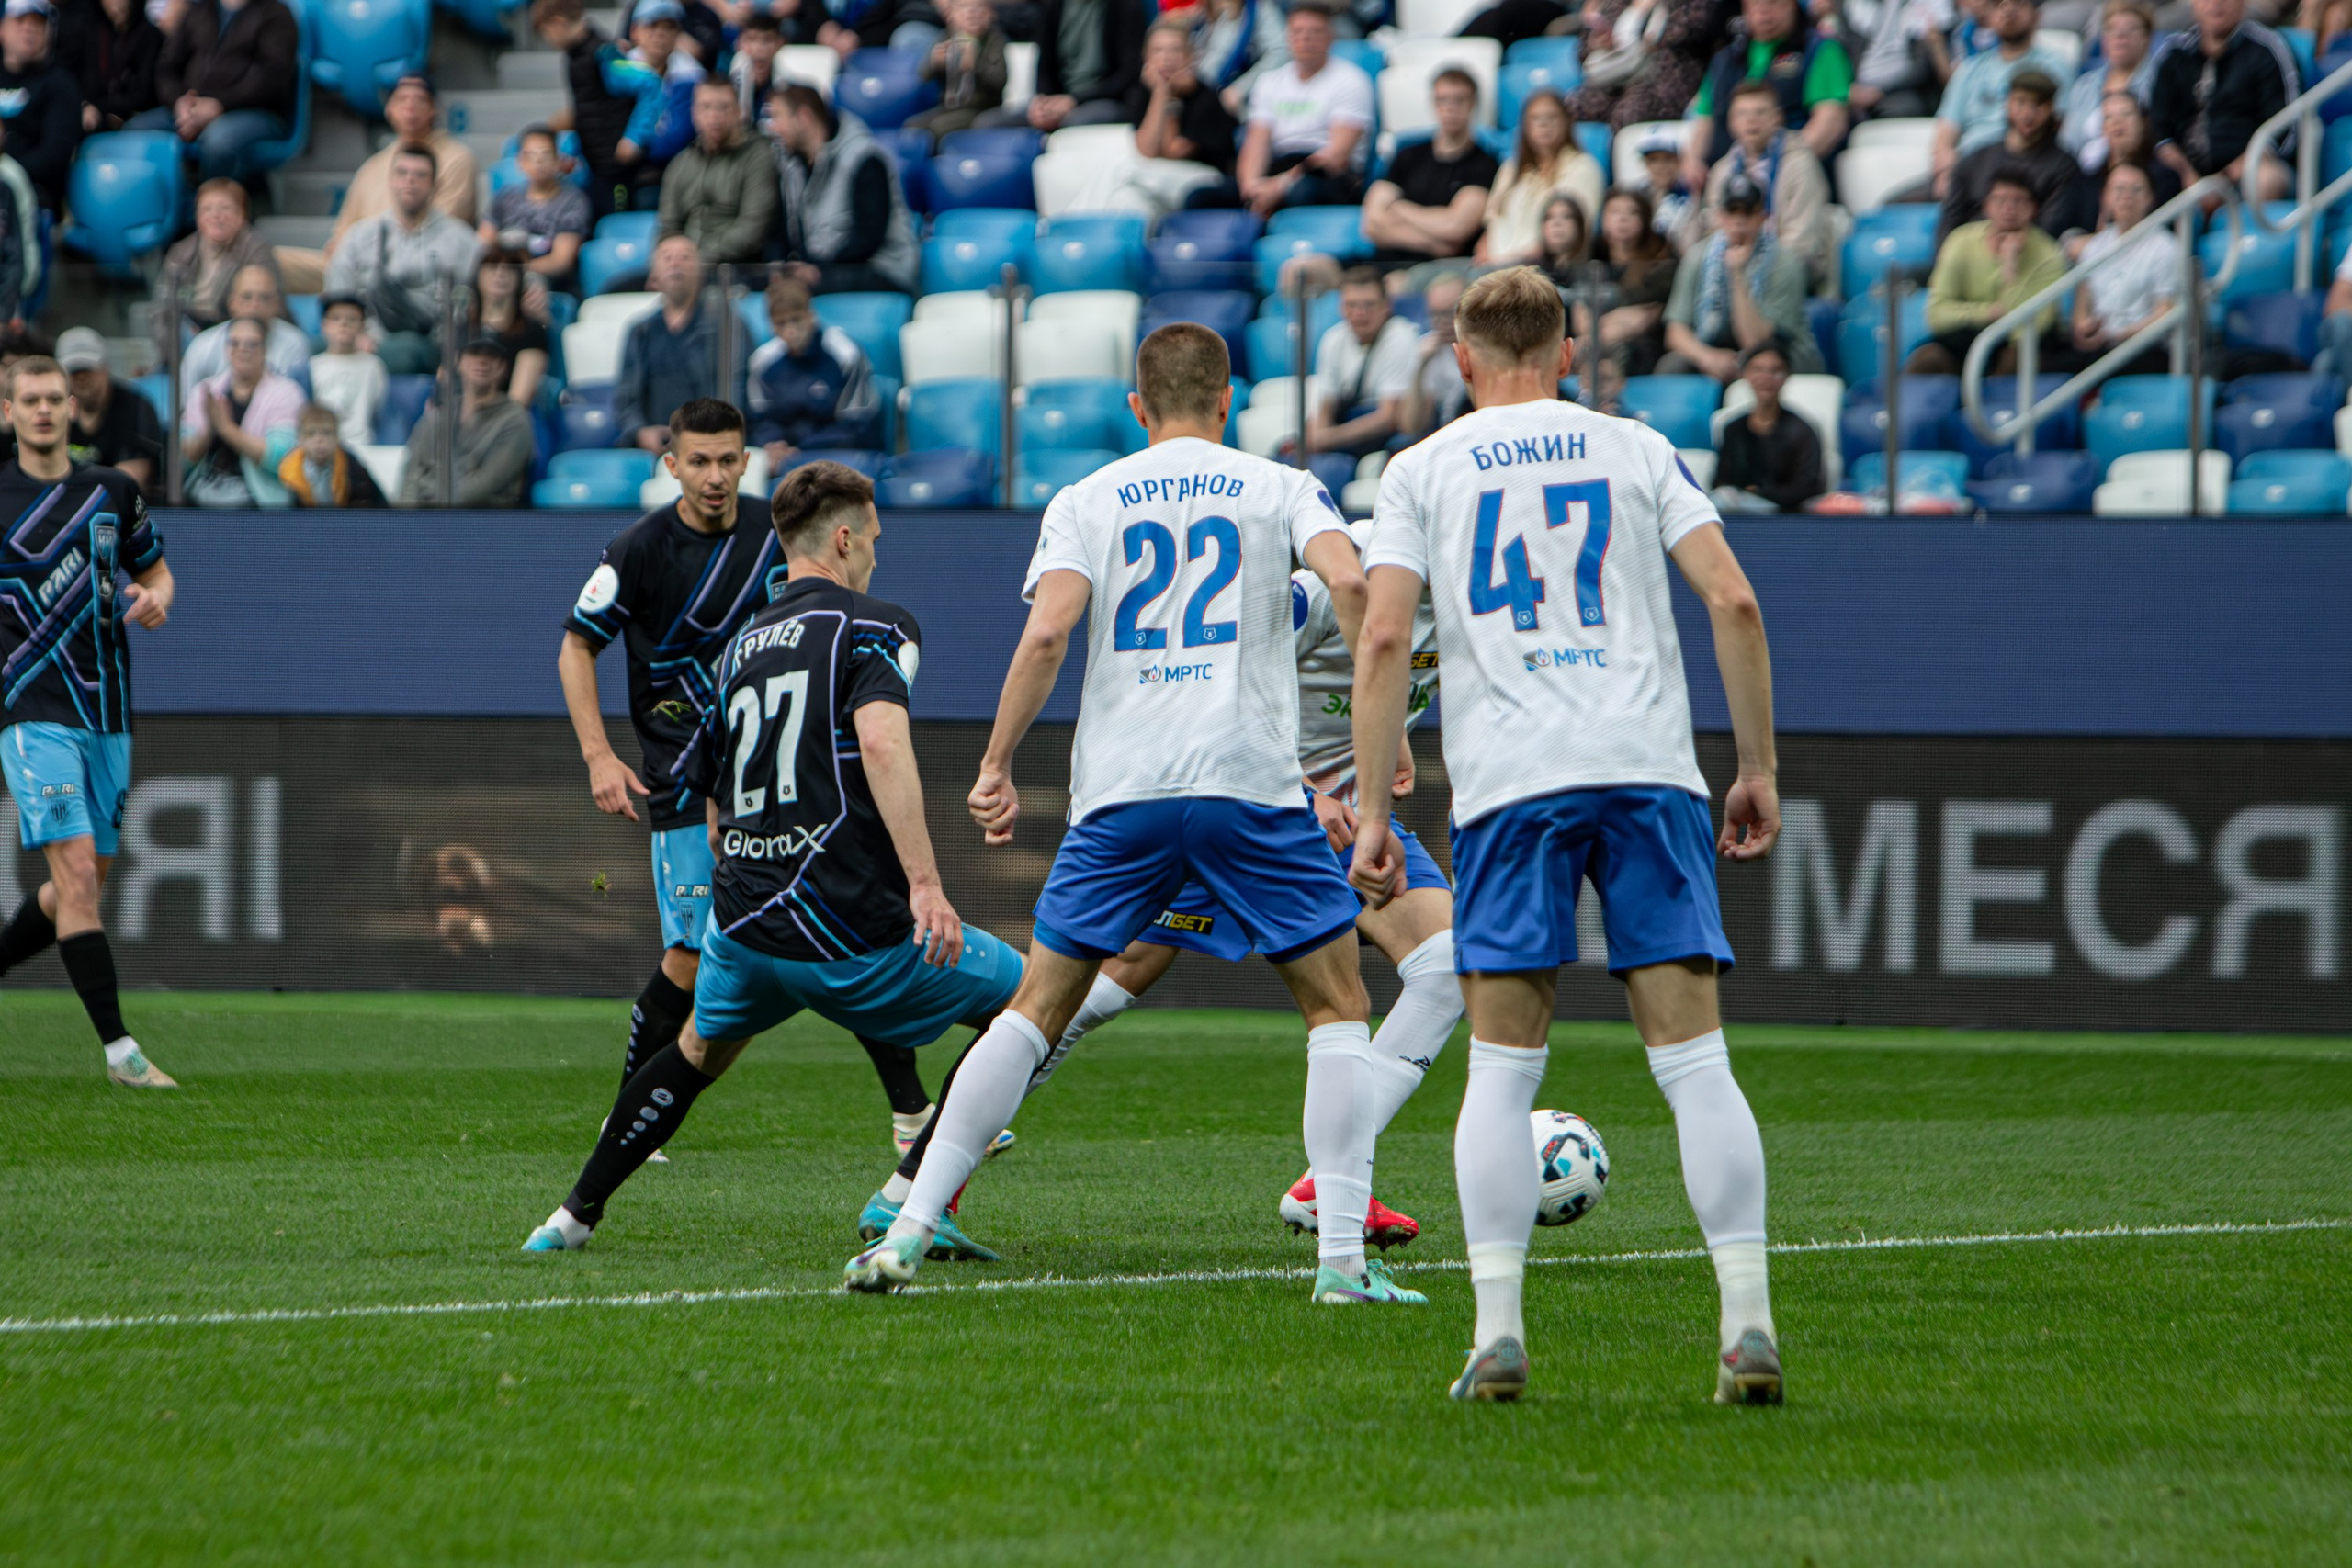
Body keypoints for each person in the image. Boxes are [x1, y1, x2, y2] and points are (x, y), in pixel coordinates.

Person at [842, 323, 1408, 1311]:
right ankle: (1343, 1268)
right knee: (1339, 1007)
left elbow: (1050, 628)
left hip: (1122, 798)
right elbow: (1353, 584)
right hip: (1246, 787)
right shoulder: (1275, 485)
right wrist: (1380, 731)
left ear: (1136, 406)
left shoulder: (1087, 497)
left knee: (1034, 1010)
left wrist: (995, 761)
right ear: (1227, 401)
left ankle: (906, 1230)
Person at [1348, 264, 1784, 1406]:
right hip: (1646, 773)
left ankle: (1497, 1333)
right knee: (1694, 1065)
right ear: (1568, 350)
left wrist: (1378, 808)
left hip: (1511, 788)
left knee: (1501, 1068)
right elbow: (1733, 600)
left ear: (1460, 356)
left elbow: (1384, 636)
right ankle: (1746, 1325)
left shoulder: (1422, 467)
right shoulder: (1634, 446)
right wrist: (1755, 769)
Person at [865, 509, 1462, 1260]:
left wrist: (1389, 746)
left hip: (1340, 815)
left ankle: (1329, 1182)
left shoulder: (1476, 582)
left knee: (1444, 966)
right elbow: (1240, 658)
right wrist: (1307, 787)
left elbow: (1392, 672)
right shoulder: (1345, 572)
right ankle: (918, 1187)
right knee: (1082, 998)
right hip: (1252, 802)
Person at [525, 458, 1012, 1256]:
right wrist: (927, 883)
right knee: (1035, 1007)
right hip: (847, 933)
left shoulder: (738, 646)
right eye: (876, 540)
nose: (879, 557)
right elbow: (883, 742)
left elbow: (711, 789)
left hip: (745, 927)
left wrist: (749, 855)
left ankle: (570, 1217)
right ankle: (910, 1193)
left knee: (695, 1051)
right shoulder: (877, 625)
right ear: (845, 538)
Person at [0, 355, 179, 1089]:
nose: (43, 410)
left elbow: (155, 571)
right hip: (27, 710)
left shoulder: (112, 491)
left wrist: (158, 596)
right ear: (7, 410)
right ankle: (121, 1054)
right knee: (74, 873)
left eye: (54, 399)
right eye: (29, 400)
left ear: (72, 409)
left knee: (83, 888)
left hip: (105, 708)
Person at [323, 144, 484, 375]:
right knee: (312, 350)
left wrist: (533, 289)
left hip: (428, 342)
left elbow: (497, 274)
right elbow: (337, 291)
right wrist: (357, 336)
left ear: (435, 185)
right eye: (402, 173)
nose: (410, 181)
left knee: (406, 351)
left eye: (420, 175)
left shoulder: (461, 240)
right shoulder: (360, 235)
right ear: (390, 180)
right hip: (364, 338)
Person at [1213, 2, 1372, 215]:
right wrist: (1251, 187)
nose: (1305, 38)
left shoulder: (1351, 80)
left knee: (1301, 193)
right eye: (1298, 31)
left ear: (1330, 36)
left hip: (1326, 174)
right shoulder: (1269, 81)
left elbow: (1336, 156)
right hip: (1279, 165)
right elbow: (1256, 142)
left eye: (1314, 32)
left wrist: (1280, 186)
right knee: (1205, 196)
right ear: (1287, 36)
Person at [1661, 175, 1821, 381]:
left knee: (1761, 370)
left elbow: (1756, 342)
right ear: (1719, 216)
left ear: (1763, 217)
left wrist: (1736, 275)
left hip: (1778, 356)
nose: (1739, 221)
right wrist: (1708, 358)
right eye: (1732, 211)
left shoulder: (1784, 262)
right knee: (1672, 366)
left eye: (1748, 212)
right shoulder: (1698, 256)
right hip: (1715, 353)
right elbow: (1675, 332)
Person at [1910, 165, 2066, 372]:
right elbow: (1937, 314)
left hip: (2017, 347)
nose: (2009, 208)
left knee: (2016, 359)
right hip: (1964, 339)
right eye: (2001, 200)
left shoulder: (2049, 254)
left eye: (2019, 201)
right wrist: (1986, 313)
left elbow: (2027, 329)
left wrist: (2010, 268)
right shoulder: (1960, 241)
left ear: (2033, 208)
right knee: (1927, 358)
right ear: (1986, 205)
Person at [772, 84, 921, 295]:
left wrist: (818, 268)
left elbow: (869, 239)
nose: (773, 127)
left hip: (883, 270)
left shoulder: (864, 157)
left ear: (804, 117)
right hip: (829, 271)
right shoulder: (791, 167)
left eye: (778, 116)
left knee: (797, 292)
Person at [1682, 0, 1854, 178]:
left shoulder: (1821, 49)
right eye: (1755, 4)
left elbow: (1829, 122)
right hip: (1726, 181)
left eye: (1772, 3)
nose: (1763, 11)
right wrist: (1693, 160)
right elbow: (1704, 119)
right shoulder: (1724, 59)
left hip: (1790, 181)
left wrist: (1780, 166)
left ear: (1793, 5)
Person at [2149, 0, 2298, 205]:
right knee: (2139, 181)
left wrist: (2225, 178)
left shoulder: (2266, 49)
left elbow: (2283, 130)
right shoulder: (2174, 53)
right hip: (2185, 177)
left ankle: (2251, 236)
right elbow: (2158, 129)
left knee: (2266, 179)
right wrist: (2188, 176)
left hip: (2246, 171)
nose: (2216, 4)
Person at [136, 0, 298, 185]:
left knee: (219, 142)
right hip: (190, 109)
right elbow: (168, 67)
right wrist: (179, 103)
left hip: (254, 112)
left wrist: (219, 105)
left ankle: (218, 207)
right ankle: (181, 204)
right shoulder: (199, 11)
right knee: (136, 131)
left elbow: (271, 77)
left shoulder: (276, 13)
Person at [1361, 69, 1498, 283]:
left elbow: (1454, 228)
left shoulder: (1484, 164)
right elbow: (1372, 222)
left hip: (1442, 275)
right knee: (1305, 270)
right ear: (1433, 104)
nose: (1450, 108)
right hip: (1382, 266)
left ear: (1473, 104)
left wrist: (1399, 208)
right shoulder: (1407, 154)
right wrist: (1434, 243)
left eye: (1459, 100)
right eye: (1442, 100)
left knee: (1395, 285)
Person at [531, 0, 666, 217]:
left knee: (616, 222)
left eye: (546, 33)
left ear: (557, 22)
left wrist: (634, 138)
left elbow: (649, 83)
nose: (549, 41)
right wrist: (572, 151)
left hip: (618, 169)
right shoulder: (575, 56)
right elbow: (588, 110)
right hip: (596, 166)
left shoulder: (602, 53)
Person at [1688, 79, 1833, 279]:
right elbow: (1715, 227)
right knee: (1694, 261)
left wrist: (1759, 267)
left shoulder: (1800, 164)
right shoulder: (1723, 169)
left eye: (1760, 112)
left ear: (1777, 118)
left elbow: (1802, 239)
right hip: (1732, 266)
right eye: (1742, 114)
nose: (1751, 120)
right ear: (1732, 122)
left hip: (1786, 270)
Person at [1930, 0, 2075, 196]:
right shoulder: (1970, 69)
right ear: (1989, 17)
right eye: (1999, 4)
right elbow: (1945, 134)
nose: (2008, 10)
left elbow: (2061, 127)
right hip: (1967, 169)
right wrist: (1947, 170)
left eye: (2018, 3)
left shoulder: (2054, 66)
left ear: (2036, 15)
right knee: (1897, 204)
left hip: (2022, 170)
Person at [1939, 69, 2096, 242]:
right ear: (2007, 103)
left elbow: (2049, 232)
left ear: (2051, 108)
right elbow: (1949, 224)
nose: (2028, 113)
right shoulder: (1975, 160)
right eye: (2021, 102)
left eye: (2038, 104)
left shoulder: (2064, 168)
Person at [1303, 265, 1420, 496]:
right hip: (1346, 428)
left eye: (1368, 305)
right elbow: (1325, 404)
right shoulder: (1333, 338)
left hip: (1382, 434)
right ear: (1341, 307)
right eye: (1352, 305)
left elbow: (1389, 417)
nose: (1359, 313)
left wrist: (1327, 438)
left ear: (1386, 306)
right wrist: (1316, 439)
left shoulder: (1401, 336)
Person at [1104, 16, 1236, 217]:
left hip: (1203, 179)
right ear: (1146, 58)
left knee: (1124, 172)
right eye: (1158, 50)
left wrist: (1167, 97)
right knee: (1128, 198)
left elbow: (1172, 151)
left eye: (1175, 50)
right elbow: (1147, 149)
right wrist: (1161, 92)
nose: (1166, 58)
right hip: (1157, 177)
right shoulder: (1140, 93)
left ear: (1190, 57)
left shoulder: (1205, 96)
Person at [748, 276, 882, 467]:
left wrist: (802, 452)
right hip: (783, 460)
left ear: (810, 315)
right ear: (771, 324)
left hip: (839, 456)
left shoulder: (846, 354)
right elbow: (762, 420)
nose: (790, 331)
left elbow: (857, 426)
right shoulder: (762, 363)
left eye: (796, 319)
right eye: (781, 323)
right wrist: (773, 444)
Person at [1476, 89, 1608, 269]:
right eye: (1535, 119)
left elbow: (1576, 235)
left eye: (1552, 117)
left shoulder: (1584, 168)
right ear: (1525, 126)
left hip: (1547, 271)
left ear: (1567, 122)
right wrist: (1487, 262)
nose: (1544, 124)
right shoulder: (1510, 168)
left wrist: (1507, 264)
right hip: (1497, 269)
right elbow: (1490, 226)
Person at [180, 314, 302, 505]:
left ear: (265, 349)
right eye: (235, 343)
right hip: (202, 498)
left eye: (252, 344)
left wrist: (227, 429)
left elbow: (283, 459)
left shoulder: (287, 393)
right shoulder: (205, 391)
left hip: (259, 504)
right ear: (226, 349)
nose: (242, 350)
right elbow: (183, 459)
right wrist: (209, 431)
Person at [398, 337, 535, 508]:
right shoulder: (440, 415)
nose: (482, 361)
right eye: (474, 354)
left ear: (502, 366)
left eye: (492, 356)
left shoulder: (514, 419)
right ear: (459, 362)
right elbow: (412, 471)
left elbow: (487, 482)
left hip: (482, 518)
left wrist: (435, 508)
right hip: (425, 513)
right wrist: (405, 515)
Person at [153, 180, 278, 364]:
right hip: (188, 331)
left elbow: (259, 304)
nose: (216, 216)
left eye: (225, 208)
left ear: (241, 214)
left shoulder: (257, 249)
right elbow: (162, 306)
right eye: (207, 209)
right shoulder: (181, 251)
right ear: (197, 216)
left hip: (232, 332)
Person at [657, 78, 780, 265]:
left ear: (739, 112)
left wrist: (697, 259)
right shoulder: (680, 163)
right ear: (694, 114)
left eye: (724, 107)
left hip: (740, 267)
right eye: (706, 107)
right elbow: (668, 227)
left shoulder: (759, 156)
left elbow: (752, 228)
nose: (714, 116)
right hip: (686, 268)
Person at [2067, 159, 2175, 372]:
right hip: (2101, 343)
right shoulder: (2094, 247)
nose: (2127, 197)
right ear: (2105, 197)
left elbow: (2166, 312)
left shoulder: (2166, 246)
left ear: (2150, 198)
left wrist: (2118, 335)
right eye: (2118, 189)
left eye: (2136, 190)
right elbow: (2082, 303)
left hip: (2145, 347)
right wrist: (2083, 326)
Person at [972, 0, 1147, 130]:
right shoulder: (1053, 6)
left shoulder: (1126, 6)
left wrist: (1074, 101)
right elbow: (1044, 68)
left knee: (1074, 122)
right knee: (987, 123)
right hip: (1059, 100)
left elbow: (1128, 74)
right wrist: (1044, 103)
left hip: (1107, 100)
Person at [1564, 0, 1723, 132]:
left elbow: (1695, 29)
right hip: (1615, 78)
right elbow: (1582, 49)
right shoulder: (1616, 3)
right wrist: (1595, 44)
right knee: (1571, 108)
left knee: (1628, 114)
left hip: (1662, 81)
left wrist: (1647, 21)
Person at [1713, 338, 1825, 512]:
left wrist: (1762, 493)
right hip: (1736, 514)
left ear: (1787, 376)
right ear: (1746, 374)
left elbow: (1808, 487)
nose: (1766, 378)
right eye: (1758, 370)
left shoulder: (1802, 430)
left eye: (1775, 371)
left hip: (1786, 517)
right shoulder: (1733, 429)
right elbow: (1721, 481)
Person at [481, 124, 592, 290]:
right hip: (504, 279)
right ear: (520, 161)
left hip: (548, 285)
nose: (538, 162)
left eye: (545, 154)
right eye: (531, 155)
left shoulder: (574, 202)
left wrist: (515, 272)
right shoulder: (506, 197)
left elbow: (560, 261)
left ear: (557, 160)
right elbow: (483, 243)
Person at [1582, 187, 1678, 377]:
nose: (1623, 219)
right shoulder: (1592, 258)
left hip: (1640, 349)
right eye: (1615, 211)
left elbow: (1641, 320)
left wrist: (1598, 328)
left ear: (1645, 220)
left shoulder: (1660, 266)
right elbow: (1582, 318)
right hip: (1593, 343)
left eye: (1632, 212)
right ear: (1603, 218)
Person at [177, 265, 310, 396]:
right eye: (247, 297)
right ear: (232, 303)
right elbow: (186, 404)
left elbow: (296, 403)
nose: (255, 305)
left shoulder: (294, 343)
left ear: (277, 305)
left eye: (264, 298)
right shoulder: (203, 345)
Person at [0, 0, 82, 211]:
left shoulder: (60, 84)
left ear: (48, 32)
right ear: (3, 28)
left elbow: (53, 159)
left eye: (37, 22)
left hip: (32, 196)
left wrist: (6, 172)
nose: (29, 28)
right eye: (20, 20)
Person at [57, 326, 161, 493]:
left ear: (105, 368)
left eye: (87, 368)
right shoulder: (53, 410)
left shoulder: (136, 407)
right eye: (73, 371)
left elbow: (131, 479)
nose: (81, 377)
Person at [2062, 0, 2156, 167]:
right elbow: (2068, 144)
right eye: (2111, 29)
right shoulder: (2084, 85)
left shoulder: (2159, 82)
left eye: (2131, 29)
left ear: (2147, 38)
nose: (2120, 36)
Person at [618, 0, 706, 174]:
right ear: (634, 31)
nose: (660, 34)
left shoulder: (692, 75)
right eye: (652, 25)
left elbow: (676, 137)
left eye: (669, 27)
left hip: (677, 168)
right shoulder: (618, 71)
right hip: (623, 168)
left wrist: (639, 145)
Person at [60, 0, 163, 132]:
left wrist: (101, 108)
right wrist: (88, 107)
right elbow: (87, 85)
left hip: (137, 117)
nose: (114, 3)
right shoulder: (95, 35)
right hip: (98, 114)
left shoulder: (150, 36)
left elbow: (144, 95)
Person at [907, 0, 1007, 136]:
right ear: (950, 15)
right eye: (964, 8)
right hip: (948, 107)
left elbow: (999, 82)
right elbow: (923, 76)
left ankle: (944, 157)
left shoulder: (995, 41)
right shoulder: (945, 38)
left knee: (939, 127)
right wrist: (934, 63)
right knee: (913, 125)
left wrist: (975, 67)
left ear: (991, 14)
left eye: (979, 7)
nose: (972, 13)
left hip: (981, 108)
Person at [468, 254, 551, 410]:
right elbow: (443, 386)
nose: (500, 274)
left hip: (504, 422)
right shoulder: (463, 330)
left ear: (520, 279)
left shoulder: (531, 333)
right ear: (477, 276)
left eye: (509, 269)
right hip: (458, 419)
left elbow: (517, 403)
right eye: (492, 267)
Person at [310, 294, 388, 452]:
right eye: (336, 318)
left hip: (363, 446)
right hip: (323, 450)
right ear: (324, 325)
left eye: (352, 319)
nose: (344, 324)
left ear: (362, 326)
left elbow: (380, 409)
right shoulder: (313, 366)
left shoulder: (373, 366)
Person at [276, 400, 389, 507]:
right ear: (300, 439)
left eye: (327, 432)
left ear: (337, 437)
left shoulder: (352, 467)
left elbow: (379, 502)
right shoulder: (288, 472)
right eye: (311, 434)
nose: (319, 440)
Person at [1404, 272, 1469, 443]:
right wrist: (1420, 368)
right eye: (1434, 314)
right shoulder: (1426, 350)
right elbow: (1413, 426)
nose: (1441, 322)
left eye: (1449, 313)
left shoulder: (1491, 347)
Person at [1636, 123, 1697, 240]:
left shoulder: (1691, 194)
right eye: (1654, 160)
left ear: (1679, 161)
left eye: (1668, 159)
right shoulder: (1635, 194)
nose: (1661, 166)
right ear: (1645, 163)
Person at [729, 6, 786, 130]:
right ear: (740, 43)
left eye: (767, 40)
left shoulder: (786, 81)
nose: (759, 47)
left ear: (780, 43)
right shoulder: (732, 79)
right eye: (752, 39)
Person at [1534, 191, 1590, 285]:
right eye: (1549, 217)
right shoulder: (1532, 276)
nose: (1556, 223)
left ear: (1579, 226)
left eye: (1566, 216)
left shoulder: (1595, 273)